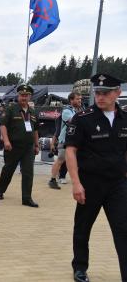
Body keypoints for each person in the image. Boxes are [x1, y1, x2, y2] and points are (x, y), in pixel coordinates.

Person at [65, 73, 127, 282]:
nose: (100, 97)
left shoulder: (124, 118)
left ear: (117, 92)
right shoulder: (83, 119)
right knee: (83, 228)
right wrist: (76, 183)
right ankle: (80, 267)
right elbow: (71, 151)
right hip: (90, 184)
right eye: (97, 93)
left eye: (105, 93)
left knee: (123, 230)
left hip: (118, 184)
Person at [0, 84, 40, 208]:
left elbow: (36, 130)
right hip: (13, 146)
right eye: (21, 95)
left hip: (28, 148)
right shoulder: (11, 109)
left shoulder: (33, 111)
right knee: (8, 169)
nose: (24, 98)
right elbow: (2, 125)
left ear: (30, 96)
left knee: (28, 172)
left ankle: (26, 198)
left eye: (26, 95)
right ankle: (0, 190)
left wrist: (37, 145)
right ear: (18, 95)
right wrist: (6, 141)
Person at [48, 92, 82, 189]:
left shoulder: (78, 110)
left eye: (80, 99)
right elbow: (73, 122)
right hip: (65, 140)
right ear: (71, 100)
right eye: (77, 99)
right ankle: (52, 180)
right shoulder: (67, 111)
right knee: (60, 160)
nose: (80, 100)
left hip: (75, 140)